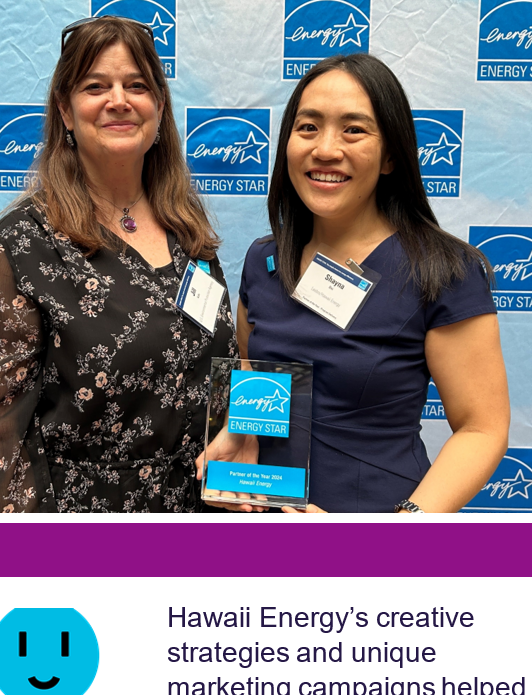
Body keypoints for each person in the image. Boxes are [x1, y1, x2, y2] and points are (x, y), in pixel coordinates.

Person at [204, 53, 509, 514]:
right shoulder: (263, 259)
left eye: (353, 129)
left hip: (376, 544)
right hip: (262, 523)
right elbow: (257, 373)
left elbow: (482, 429)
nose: (326, 149)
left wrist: (391, 536)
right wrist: (241, 432)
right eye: (308, 127)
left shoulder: (444, 271)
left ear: (390, 156)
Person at [0, 16, 236, 513]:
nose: (119, 100)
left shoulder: (188, 230)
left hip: (205, 519)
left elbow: (219, 369)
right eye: (96, 86)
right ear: (66, 111)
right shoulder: (22, 243)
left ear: (158, 108)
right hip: (86, 536)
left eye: (137, 85)